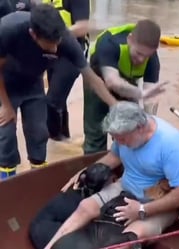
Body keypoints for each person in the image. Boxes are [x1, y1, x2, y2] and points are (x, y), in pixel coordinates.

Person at [45, 101, 179, 249]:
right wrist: (84, 171)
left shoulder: (170, 143)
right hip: (126, 186)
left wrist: (142, 210)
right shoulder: (125, 135)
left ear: (140, 128)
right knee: (85, 207)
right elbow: (114, 157)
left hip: (156, 202)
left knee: (129, 237)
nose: (119, 143)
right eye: (116, 139)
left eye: (122, 139)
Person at [0, 3, 117, 180]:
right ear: (33, 35)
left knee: (39, 131)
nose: (55, 50)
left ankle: (37, 179)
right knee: (6, 135)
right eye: (50, 45)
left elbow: (91, 78)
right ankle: (7, 182)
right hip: (5, 84)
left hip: (33, 83)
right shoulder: (8, 30)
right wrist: (6, 106)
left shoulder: (63, 38)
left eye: (58, 43)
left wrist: (115, 105)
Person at [83, 20, 166, 155]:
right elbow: (112, 81)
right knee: (96, 133)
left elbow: (150, 97)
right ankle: (94, 165)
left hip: (127, 82)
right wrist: (140, 93)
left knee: (131, 129)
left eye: (146, 56)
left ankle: (125, 164)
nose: (141, 60)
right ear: (130, 40)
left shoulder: (152, 59)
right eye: (138, 54)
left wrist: (149, 127)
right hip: (97, 79)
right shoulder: (110, 43)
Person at [43, 0, 91, 141]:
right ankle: (62, 141)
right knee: (59, 101)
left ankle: (55, 139)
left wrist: (52, 35)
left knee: (51, 101)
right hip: (50, 52)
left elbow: (82, 27)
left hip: (72, 52)